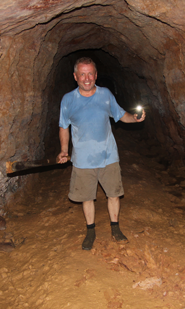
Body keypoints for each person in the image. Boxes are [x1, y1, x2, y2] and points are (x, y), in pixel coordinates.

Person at [56, 57, 146, 250]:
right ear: (75, 76)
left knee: (114, 194)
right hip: (82, 159)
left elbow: (121, 115)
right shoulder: (68, 100)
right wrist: (64, 151)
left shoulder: (105, 95)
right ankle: (90, 231)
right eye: (82, 74)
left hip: (108, 156)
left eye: (90, 74)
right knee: (87, 197)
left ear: (96, 75)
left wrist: (135, 119)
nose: (87, 78)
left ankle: (115, 227)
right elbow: (64, 127)